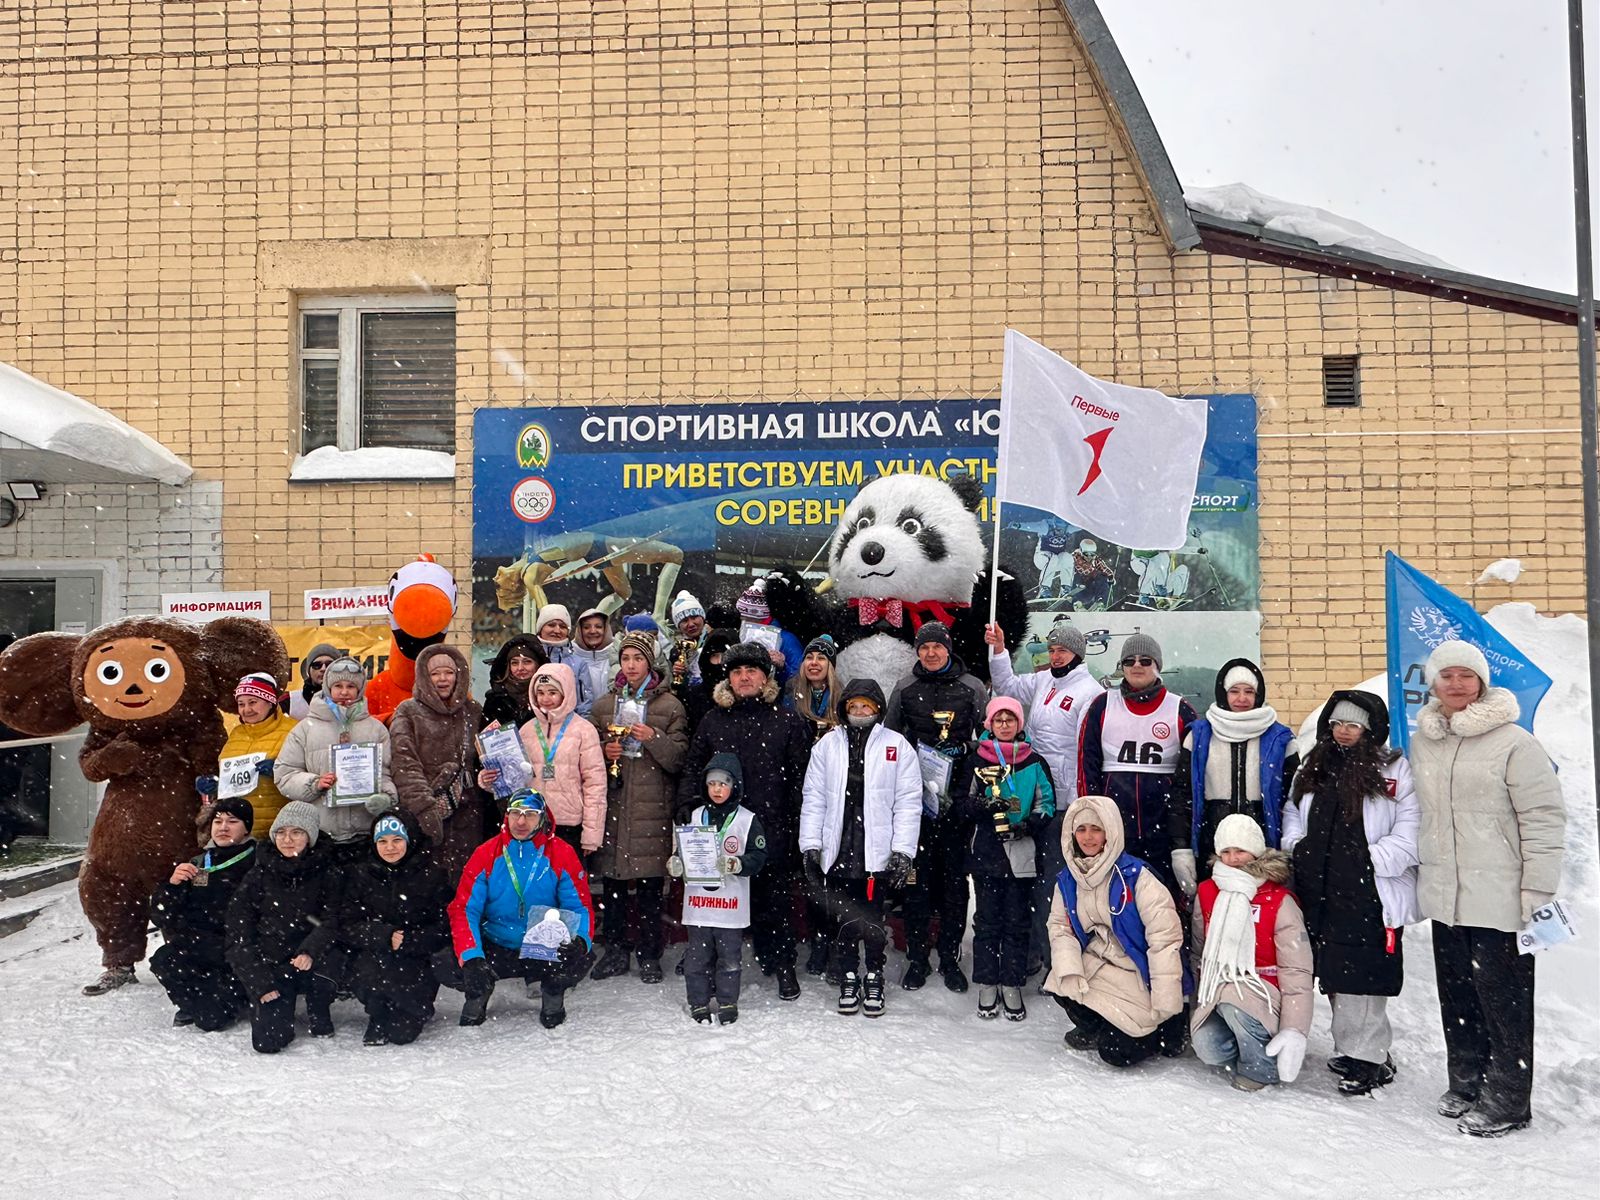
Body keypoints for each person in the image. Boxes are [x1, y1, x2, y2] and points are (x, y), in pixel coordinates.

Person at [1409, 641, 1565, 1137]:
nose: (1456, 684)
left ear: (1482, 682)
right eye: (1446, 675)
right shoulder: (1424, 742)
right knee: (1457, 993)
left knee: (1503, 999)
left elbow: (1543, 817)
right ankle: (1467, 1079)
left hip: (1500, 894)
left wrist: (1538, 886)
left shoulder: (1515, 742)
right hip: (1445, 893)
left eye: (1466, 675)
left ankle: (1509, 1098)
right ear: (1432, 684)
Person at [1281, 691, 1418, 1096]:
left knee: (1364, 973)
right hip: (1320, 886)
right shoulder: (1315, 765)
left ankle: (1369, 1057)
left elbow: (1411, 828)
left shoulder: (1393, 769)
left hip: (1367, 888)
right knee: (1334, 969)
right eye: (1338, 723)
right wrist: (1297, 847)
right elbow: (1293, 811)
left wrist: (1369, 860)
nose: (1344, 731)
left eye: (1354, 725)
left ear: (1370, 729)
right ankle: (1353, 1047)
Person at [676, 641, 812, 1000]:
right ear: (728, 680)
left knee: (774, 901)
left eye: (751, 670)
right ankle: (706, 961)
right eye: (736, 671)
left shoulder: (786, 720)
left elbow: (801, 778)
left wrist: (797, 823)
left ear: (766, 677)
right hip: (719, 828)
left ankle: (781, 964)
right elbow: (693, 767)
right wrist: (687, 805)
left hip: (770, 825)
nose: (744, 677)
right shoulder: (713, 719)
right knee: (713, 899)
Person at [985, 620, 1102, 979]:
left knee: (1051, 885)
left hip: (1062, 805)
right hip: (1029, 797)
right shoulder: (1043, 681)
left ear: (1077, 653)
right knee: (1024, 878)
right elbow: (1007, 686)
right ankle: (1029, 952)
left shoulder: (1090, 692)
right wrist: (999, 651)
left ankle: (1057, 961)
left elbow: (1087, 752)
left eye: (1062, 650)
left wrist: (1082, 805)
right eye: (1051, 650)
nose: (1055, 656)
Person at [798, 680, 920, 1017]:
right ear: (844, 708)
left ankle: (874, 974)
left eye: (866, 705)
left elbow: (908, 802)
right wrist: (811, 845)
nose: (860, 711)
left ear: (878, 708)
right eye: (853, 706)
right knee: (845, 917)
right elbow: (814, 799)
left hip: (875, 850)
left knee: (873, 917)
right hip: (839, 847)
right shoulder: (827, 745)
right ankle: (849, 974)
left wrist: (903, 851)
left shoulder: (896, 745)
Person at [1045, 793, 1187, 1068]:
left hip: (1137, 970)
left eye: (1096, 829)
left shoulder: (1137, 877)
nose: (1088, 837)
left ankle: (1158, 1031)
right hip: (1099, 962)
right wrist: (1070, 969)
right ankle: (1098, 1025)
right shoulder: (1068, 878)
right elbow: (1061, 928)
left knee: (1116, 1053)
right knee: (1061, 979)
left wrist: (1166, 1000)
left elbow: (1164, 938)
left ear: (1110, 832)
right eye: (1081, 829)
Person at [885, 620, 988, 992]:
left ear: (948, 649)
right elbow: (889, 742)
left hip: (958, 802)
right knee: (916, 884)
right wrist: (912, 757)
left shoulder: (972, 687)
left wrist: (965, 748)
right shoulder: (905, 687)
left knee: (955, 886)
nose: (930, 653)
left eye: (937, 647)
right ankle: (917, 958)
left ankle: (949, 957)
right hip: (917, 804)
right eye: (924, 647)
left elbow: (991, 737)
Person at [442, 789, 596, 1029]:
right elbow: (464, 909)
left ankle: (553, 991)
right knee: (445, 959)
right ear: (507, 816)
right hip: (497, 942)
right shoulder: (485, 853)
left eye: (530, 814)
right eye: (515, 813)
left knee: (580, 954)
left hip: (542, 944)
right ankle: (478, 991)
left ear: (543, 818)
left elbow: (578, 906)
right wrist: (472, 957)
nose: (521, 822)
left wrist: (581, 939)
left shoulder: (562, 853)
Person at [588, 630, 689, 983]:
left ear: (650, 662)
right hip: (615, 807)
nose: (631, 665)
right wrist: (605, 751)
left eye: (638, 658)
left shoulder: (670, 706)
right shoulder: (604, 706)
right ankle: (616, 950)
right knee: (613, 886)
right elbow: (586, 753)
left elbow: (679, 759)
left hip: (651, 810)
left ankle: (649, 953)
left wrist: (654, 738)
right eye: (626, 658)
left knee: (649, 888)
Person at [1189, 815, 1314, 1091]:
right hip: (1218, 985)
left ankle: (1261, 1067)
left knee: (1236, 1002)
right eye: (1226, 851)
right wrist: (1197, 1004)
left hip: (1264, 990)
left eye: (1240, 850)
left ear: (1255, 852)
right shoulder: (1208, 892)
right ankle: (1250, 1045)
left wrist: (1294, 1029)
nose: (1233, 859)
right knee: (1207, 1046)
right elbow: (1199, 952)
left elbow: (1297, 970)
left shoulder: (1279, 900)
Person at [954, 696, 1057, 1021]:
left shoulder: (1034, 761)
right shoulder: (977, 760)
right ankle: (987, 982)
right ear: (989, 724)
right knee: (986, 922)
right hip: (986, 851)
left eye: (1010, 720)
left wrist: (1029, 824)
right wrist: (984, 807)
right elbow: (961, 803)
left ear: (1019, 724)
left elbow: (1047, 803)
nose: (1004, 725)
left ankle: (1012, 983)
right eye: (998, 720)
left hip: (1022, 853)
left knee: (1017, 923)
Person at [1076, 633, 1198, 893]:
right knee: (1116, 897)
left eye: (1145, 660)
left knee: (1162, 899)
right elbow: (1088, 765)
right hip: (1116, 827)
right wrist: (1092, 818)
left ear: (1157, 665)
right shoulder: (1102, 705)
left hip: (1162, 829)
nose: (1137, 666)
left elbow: (1191, 777)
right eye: (1129, 661)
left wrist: (1182, 833)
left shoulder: (1179, 709)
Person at [1169, 658, 1298, 900]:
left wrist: (1290, 844)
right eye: (1234, 691)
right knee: (1213, 906)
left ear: (1258, 695)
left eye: (1249, 691)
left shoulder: (1280, 738)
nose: (1242, 698)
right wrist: (1181, 847)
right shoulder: (1200, 735)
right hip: (1212, 845)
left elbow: (1293, 798)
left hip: (1263, 844)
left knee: (1260, 909)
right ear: (1223, 693)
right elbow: (1182, 796)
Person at [225, 801, 348, 1053]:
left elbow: (333, 920)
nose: (287, 839)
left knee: (331, 964)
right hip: (273, 961)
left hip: (315, 957)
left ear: (310, 837)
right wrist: (259, 982)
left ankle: (319, 1006)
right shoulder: (258, 875)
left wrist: (310, 950)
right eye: (280, 832)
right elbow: (238, 933)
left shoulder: (329, 872)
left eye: (296, 832)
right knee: (267, 1042)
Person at [337, 809, 453, 1046]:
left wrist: (410, 940)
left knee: (403, 1033)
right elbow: (346, 924)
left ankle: (413, 1010)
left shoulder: (432, 874)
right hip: (374, 952)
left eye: (397, 840)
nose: (390, 847)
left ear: (409, 840)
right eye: (382, 841)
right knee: (366, 972)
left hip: (416, 955)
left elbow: (445, 925)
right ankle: (378, 1013)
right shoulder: (361, 874)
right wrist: (382, 935)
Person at [669, 753, 770, 1024]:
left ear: (735, 786)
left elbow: (759, 856)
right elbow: (684, 848)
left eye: (723, 784)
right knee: (696, 957)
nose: (716, 789)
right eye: (711, 783)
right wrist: (676, 862)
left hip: (730, 906)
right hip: (699, 905)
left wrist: (739, 863)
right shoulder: (695, 816)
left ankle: (727, 1001)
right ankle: (698, 1002)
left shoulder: (747, 820)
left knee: (729, 958)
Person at [273, 657, 398, 863]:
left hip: (365, 833)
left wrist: (386, 798)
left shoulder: (376, 729)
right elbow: (284, 774)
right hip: (320, 834)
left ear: (360, 689)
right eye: (338, 686)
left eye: (351, 686)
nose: (344, 692)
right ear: (327, 687)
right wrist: (314, 783)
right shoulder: (304, 729)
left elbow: (385, 773)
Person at [149, 796, 258, 1032]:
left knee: (212, 1020)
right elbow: (161, 916)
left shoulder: (259, 861)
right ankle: (197, 1003)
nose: (223, 827)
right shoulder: (198, 862)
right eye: (217, 821)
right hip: (200, 948)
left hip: (240, 952)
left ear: (247, 828)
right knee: (165, 959)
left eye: (232, 821)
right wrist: (172, 886)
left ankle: (230, 1001)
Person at [389, 644, 487, 882]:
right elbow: (405, 765)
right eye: (435, 673)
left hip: (469, 818)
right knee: (429, 883)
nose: (443, 679)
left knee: (468, 882)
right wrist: (425, 809)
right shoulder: (408, 711)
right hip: (429, 815)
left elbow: (486, 758)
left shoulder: (473, 711)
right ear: (425, 677)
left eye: (449, 672)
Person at [494, 662, 606, 859]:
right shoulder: (527, 730)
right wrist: (491, 778)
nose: (546, 699)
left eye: (553, 692)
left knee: (566, 877)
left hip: (569, 824)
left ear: (566, 693)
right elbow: (514, 778)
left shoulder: (584, 731)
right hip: (531, 822)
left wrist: (591, 834)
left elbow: (595, 785)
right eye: (540, 693)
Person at [788, 633, 843, 978]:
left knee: (834, 872)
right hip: (799, 794)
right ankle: (817, 939)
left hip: (834, 795)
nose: (814, 663)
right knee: (810, 871)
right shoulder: (790, 697)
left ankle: (834, 939)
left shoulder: (843, 701)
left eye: (821, 658)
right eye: (809, 657)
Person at [195, 672, 298, 841]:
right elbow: (232, 778)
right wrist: (215, 786)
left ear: (270, 702)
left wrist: (280, 771)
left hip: (279, 834)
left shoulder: (294, 731)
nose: (247, 710)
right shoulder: (236, 734)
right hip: (238, 835)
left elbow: (310, 776)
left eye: (253, 702)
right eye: (241, 704)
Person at [531, 604, 596, 716]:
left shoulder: (578, 664)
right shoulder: (529, 658)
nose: (557, 630)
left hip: (569, 724)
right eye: (551, 625)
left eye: (562, 626)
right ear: (540, 628)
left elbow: (585, 703)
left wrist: (578, 724)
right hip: (534, 723)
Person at [735, 578, 803, 685]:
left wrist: (783, 667)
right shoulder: (738, 635)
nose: (744, 622)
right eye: (742, 617)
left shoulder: (787, 640)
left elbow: (800, 678)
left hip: (777, 694)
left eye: (748, 618)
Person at [479, 634, 546, 730]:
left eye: (527, 662)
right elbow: (485, 734)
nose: (520, 668)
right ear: (508, 666)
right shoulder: (496, 699)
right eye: (514, 663)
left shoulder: (547, 695)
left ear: (538, 665)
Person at [679, 627, 738, 732]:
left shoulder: (745, 693)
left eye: (725, 656)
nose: (720, 662)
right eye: (714, 656)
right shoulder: (692, 696)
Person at [569, 607, 615, 707]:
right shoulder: (569, 659)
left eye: (598, 626)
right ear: (580, 631)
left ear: (606, 629)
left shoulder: (619, 658)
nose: (593, 631)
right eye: (586, 627)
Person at [667, 590, 709, 689]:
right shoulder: (677, 651)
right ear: (678, 627)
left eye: (694, 617)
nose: (691, 624)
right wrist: (677, 673)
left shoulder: (716, 641)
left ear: (703, 618)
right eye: (685, 621)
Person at [289, 643, 338, 719]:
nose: (323, 669)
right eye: (317, 665)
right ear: (309, 670)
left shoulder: (351, 700)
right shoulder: (289, 701)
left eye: (329, 664)